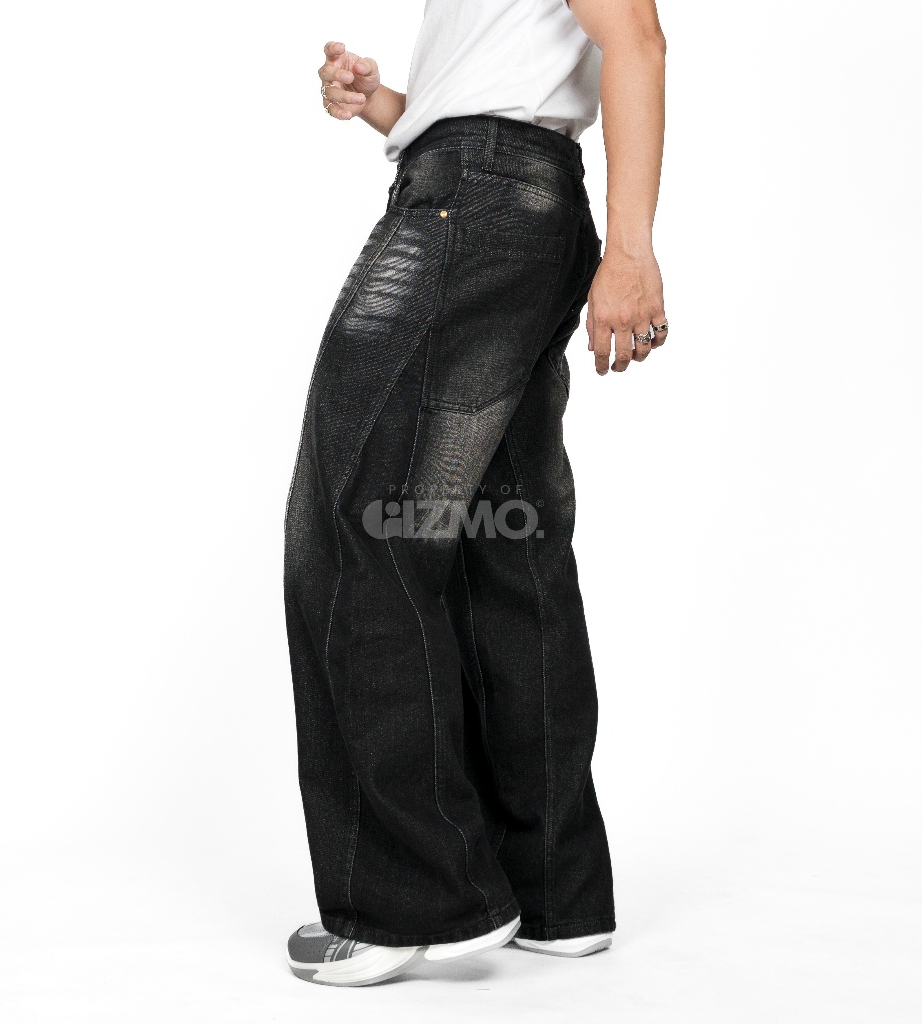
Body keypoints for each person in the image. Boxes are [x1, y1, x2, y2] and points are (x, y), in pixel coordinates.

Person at [284, 0, 668, 987]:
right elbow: (512, 77)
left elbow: (634, 37)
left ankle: (412, 901)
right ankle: (550, 888)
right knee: (507, 546)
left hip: (474, 209)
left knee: (356, 530)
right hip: (508, 204)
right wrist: (386, 104)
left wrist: (632, 253)